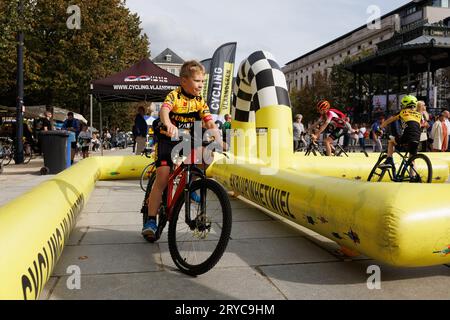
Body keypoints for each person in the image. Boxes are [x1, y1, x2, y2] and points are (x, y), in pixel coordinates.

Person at [142, 60, 224, 240]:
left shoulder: (200, 101)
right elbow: (164, 111)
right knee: (162, 177)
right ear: (184, 81)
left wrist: (220, 140)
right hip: (168, 138)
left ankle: (192, 184)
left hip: (187, 137)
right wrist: (169, 123)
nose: (201, 85)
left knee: (206, 153)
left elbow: (209, 122)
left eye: (203, 82)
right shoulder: (174, 95)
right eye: (197, 81)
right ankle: (150, 220)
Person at [378, 95, 422, 169]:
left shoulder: (402, 112)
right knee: (412, 160)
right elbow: (413, 126)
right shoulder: (418, 115)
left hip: (407, 137)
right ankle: (413, 178)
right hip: (417, 138)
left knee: (390, 140)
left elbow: (389, 120)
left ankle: (389, 160)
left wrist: (379, 128)